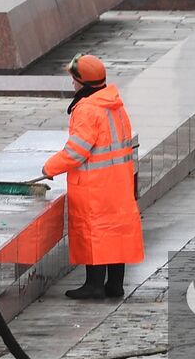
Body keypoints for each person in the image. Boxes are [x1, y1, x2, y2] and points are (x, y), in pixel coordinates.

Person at [41, 53, 144, 300]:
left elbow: (76, 151)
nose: (72, 83)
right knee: (115, 233)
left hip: (94, 186)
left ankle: (94, 285)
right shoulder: (114, 104)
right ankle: (115, 285)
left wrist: (48, 168)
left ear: (82, 81)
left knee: (94, 233)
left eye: (73, 79)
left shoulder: (87, 109)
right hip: (117, 182)